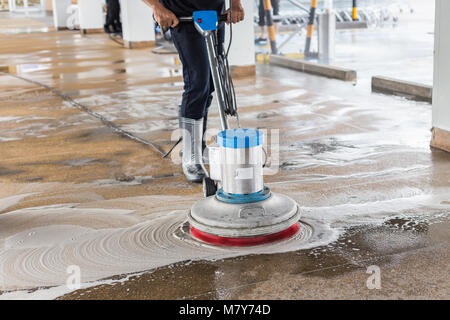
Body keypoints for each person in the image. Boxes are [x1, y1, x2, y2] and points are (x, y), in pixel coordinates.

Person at [142, 0, 245, 183]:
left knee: (211, 83)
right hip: (183, 18)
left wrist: (236, 5)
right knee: (198, 83)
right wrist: (157, 8)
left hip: (214, 15)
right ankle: (191, 157)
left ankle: (199, 146)